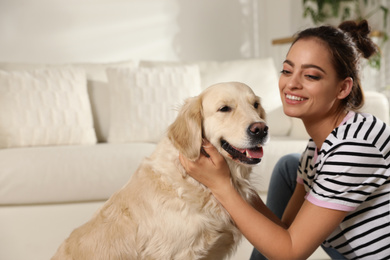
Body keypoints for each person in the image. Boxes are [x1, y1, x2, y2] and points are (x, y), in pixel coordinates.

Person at [179, 19, 390, 259]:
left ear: (343, 88)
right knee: (289, 165)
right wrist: (240, 188)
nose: (292, 83)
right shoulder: (317, 148)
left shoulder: (354, 147)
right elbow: (285, 230)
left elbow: (290, 252)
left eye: (311, 76)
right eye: (287, 71)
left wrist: (223, 187)